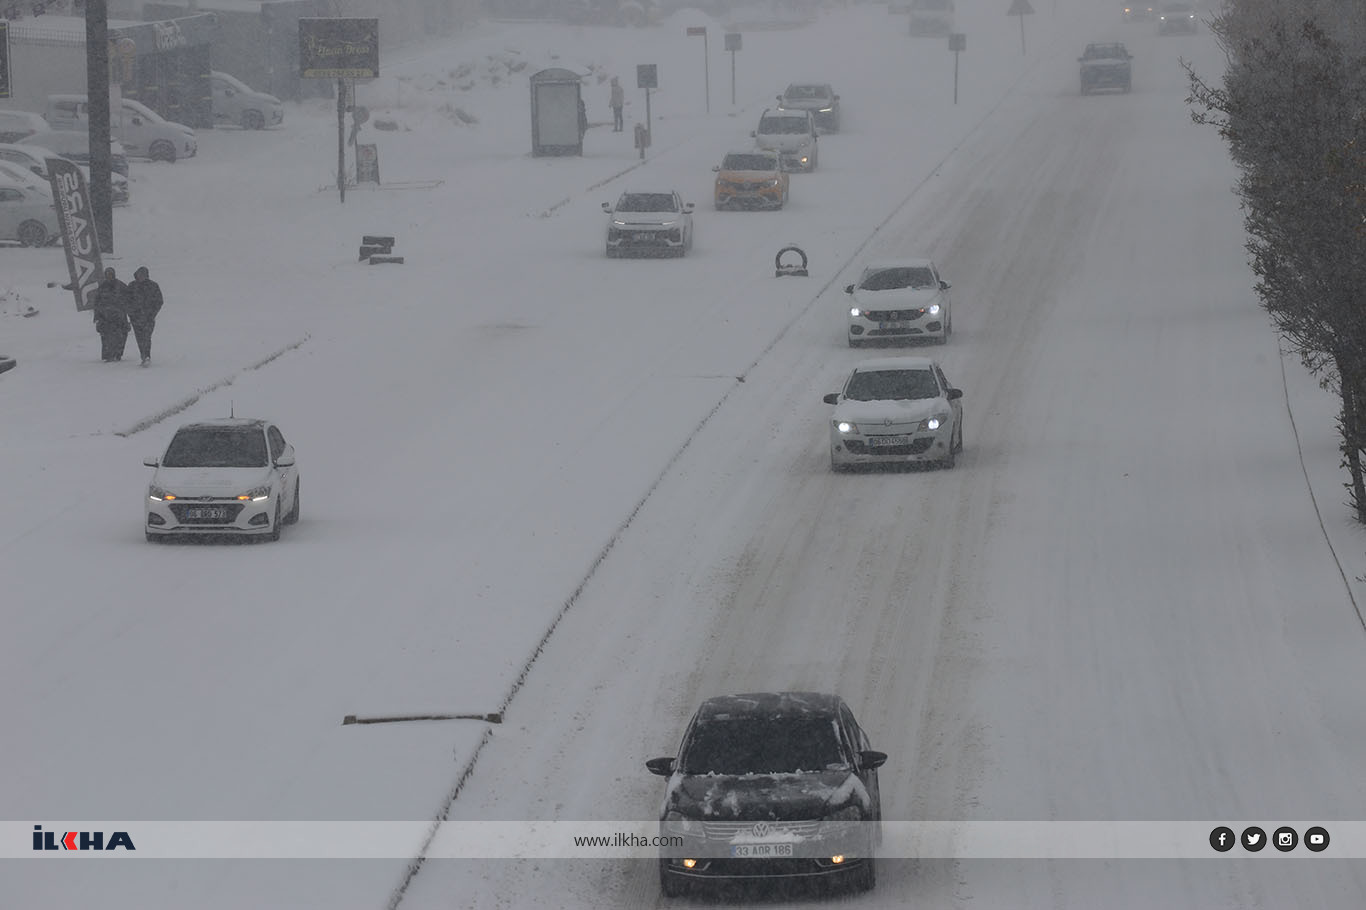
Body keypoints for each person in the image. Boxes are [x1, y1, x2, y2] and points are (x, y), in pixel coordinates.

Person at [126, 266, 164, 367]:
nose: (141, 277)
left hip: (148, 318)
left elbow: (159, 301)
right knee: (139, 338)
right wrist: (131, 313)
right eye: (139, 275)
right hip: (135, 318)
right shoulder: (132, 286)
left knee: (146, 337)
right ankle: (143, 356)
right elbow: (126, 301)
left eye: (143, 275)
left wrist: (152, 313)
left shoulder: (153, 286)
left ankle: (147, 356)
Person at [91, 267, 130, 363]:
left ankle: (117, 354)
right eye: (107, 274)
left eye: (111, 274)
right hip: (105, 317)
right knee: (106, 337)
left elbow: (129, 297)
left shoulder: (120, 285)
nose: (109, 276)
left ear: (114, 274)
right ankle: (108, 355)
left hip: (119, 316)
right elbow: (97, 302)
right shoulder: (102, 287)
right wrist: (97, 315)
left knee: (120, 336)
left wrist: (125, 309)